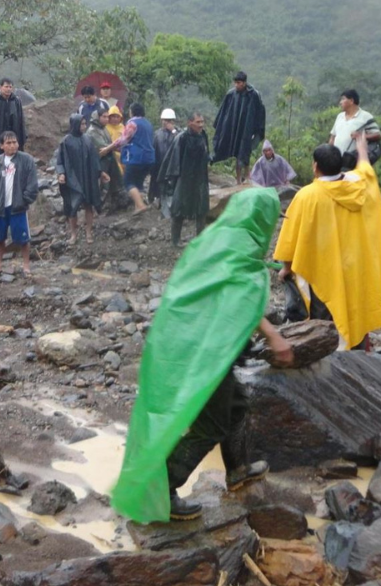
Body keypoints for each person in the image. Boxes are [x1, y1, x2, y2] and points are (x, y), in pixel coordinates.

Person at [111, 187, 294, 523]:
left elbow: (221, 295)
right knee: (211, 422)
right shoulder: (240, 246)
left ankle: (237, 469)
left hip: (183, 340)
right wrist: (274, 336)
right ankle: (163, 486)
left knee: (235, 402)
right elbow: (241, 300)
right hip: (203, 350)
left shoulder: (214, 240)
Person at [274, 132, 381, 351]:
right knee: (354, 312)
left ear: (315, 166)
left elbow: (289, 238)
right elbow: (367, 171)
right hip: (356, 268)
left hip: (323, 272)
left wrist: (286, 269)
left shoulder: (307, 196)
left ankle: (330, 362)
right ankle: (358, 355)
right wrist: (362, 150)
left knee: (326, 321)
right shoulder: (359, 187)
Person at [0, 131, 39, 276]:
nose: (12, 145)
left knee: (23, 238)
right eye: (8, 143)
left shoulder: (26, 160)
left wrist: (25, 199)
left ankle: (26, 266)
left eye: (14, 142)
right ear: (2, 146)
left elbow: (32, 183)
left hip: (17, 207)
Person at [160, 112, 212, 247]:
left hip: (200, 178)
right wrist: (172, 180)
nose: (201, 125)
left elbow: (206, 153)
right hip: (184, 179)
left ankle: (200, 242)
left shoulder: (203, 135)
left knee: (201, 210)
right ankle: (175, 241)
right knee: (178, 210)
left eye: (202, 122)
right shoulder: (182, 138)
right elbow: (174, 160)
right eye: (198, 122)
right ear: (190, 123)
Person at [56, 114, 109, 244]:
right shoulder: (66, 141)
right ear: (74, 125)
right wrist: (61, 173)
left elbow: (94, 158)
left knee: (88, 205)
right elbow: (59, 161)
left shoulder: (87, 140)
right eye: (82, 124)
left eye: (85, 124)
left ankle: (88, 232)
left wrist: (101, 172)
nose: (84, 127)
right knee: (72, 207)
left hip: (88, 178)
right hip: (72, 179)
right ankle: (73, 234)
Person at [212, 71, 266, 184]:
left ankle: (247, 176)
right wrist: (222, 127)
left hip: (246, 130)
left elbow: (259, 112)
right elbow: (223, 112)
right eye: (235, 83)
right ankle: (238, 179)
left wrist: (256, 130)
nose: (237, 85)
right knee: (236, 152)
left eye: (239, 83)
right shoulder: (231, 94)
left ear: (244, 83)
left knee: (245, 151)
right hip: (233, 129)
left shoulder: (253, 95)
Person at [113, 102, 155, 214]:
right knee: (139, 182)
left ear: (132, 111)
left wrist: (111, 147)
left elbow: (123, 140)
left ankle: (141, 205)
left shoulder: (132, 123)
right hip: (149, 158)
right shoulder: (148, 123)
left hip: (136, 157)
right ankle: (138, 207)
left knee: (128, 181)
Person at [328, 89, 381, 168]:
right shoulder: (340, 116)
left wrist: (360, 136)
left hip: (355, 161)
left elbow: (378, 135)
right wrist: (329, 155)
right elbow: (333, 137)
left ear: (351, 101)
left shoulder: (365, 116)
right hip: (338, 161)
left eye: (343, 99)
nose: (340, 102)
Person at [87, 109, 126, 212]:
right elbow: (102, 147)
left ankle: (116, 203)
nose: (106, 119)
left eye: (107, 117)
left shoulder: (103, 129)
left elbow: (109, 144)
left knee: (115, 181)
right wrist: (118, 148)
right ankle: (100, 207)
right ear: (97, 117)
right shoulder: (92, 131)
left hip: (109, 158)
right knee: (103, 184)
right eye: (104, 117)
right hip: (99, 160)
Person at [0, 78, 26, 155]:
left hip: (14, 132)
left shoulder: (16, 101)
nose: (8, 89)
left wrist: (22, 135)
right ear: (0, 87)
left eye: (10, 87)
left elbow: (21, 119)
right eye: (6, 87)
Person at [150, 108, 180, 204]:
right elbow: (153, 148)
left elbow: (181, 143)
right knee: (156, 182)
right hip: (159, 164)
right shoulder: (157, 134)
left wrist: (173, 131)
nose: (166, 123)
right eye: (164, 120)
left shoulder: (178, 133)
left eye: (168, 120)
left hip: (173, 165)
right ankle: (154, 198)